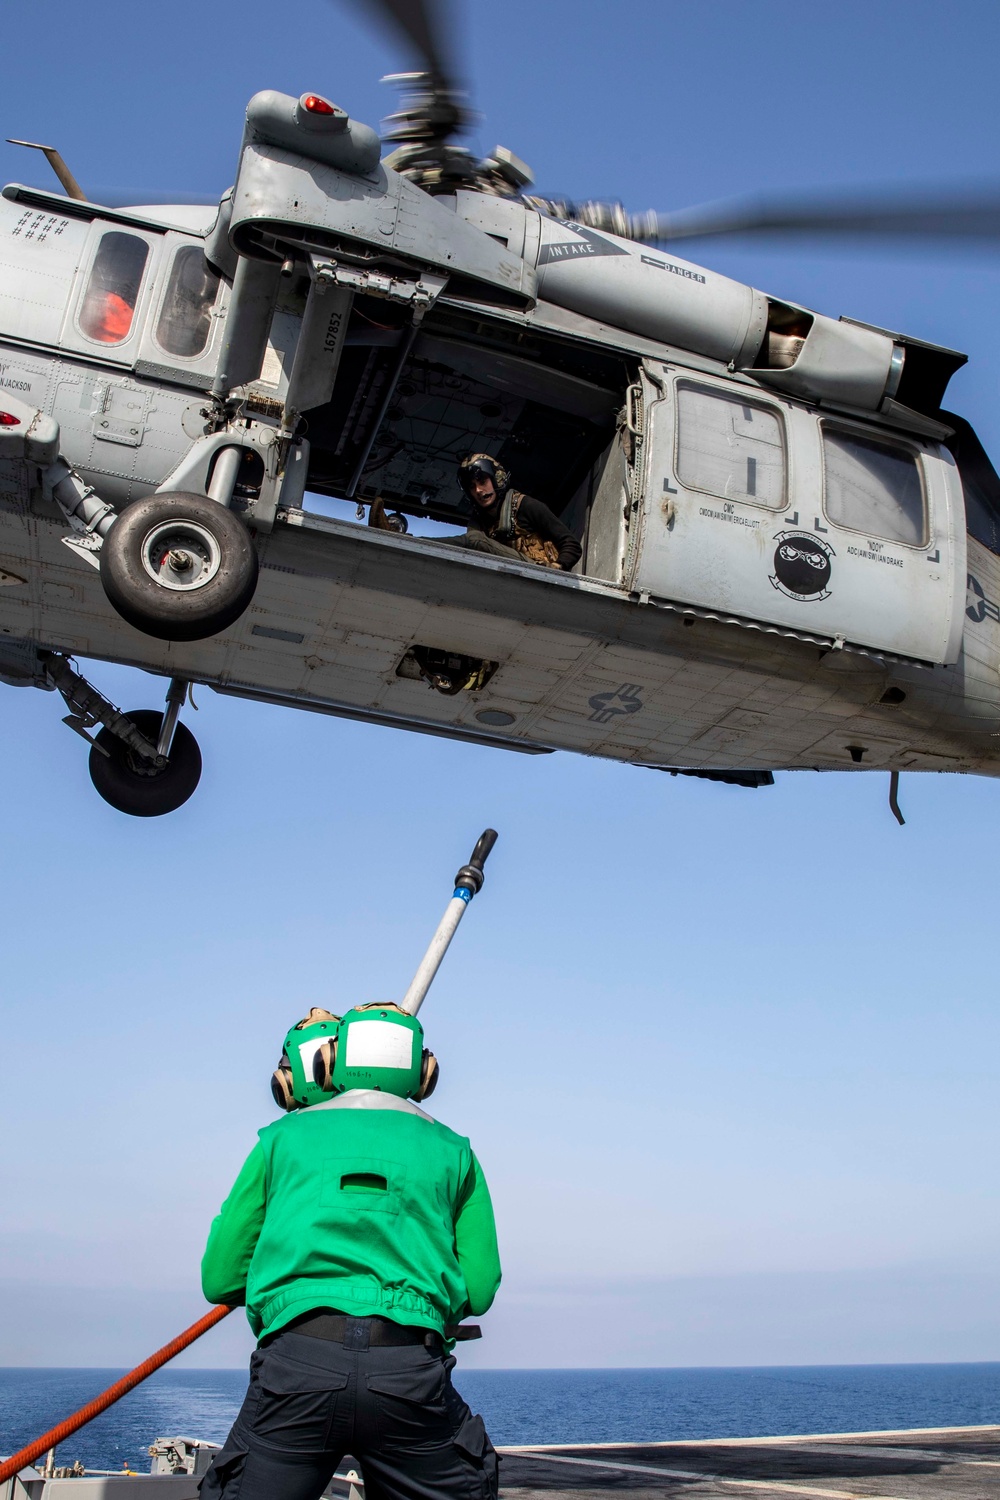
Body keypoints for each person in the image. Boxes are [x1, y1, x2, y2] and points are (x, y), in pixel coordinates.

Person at [199, 1003, 501, 1500]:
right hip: (410, 1371)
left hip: (295, 1370)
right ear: (423, 1073)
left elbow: (220, 1278)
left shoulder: (279, 1140)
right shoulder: (455, 1150)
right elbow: (481, 1285)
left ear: (328, 1064)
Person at [450, 453, 582, 571]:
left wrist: (557, 567)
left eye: (482, 481)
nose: (478, 490)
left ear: (497, 478)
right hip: (505, 577)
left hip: (539, 571)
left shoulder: (525, 505)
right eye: (472, 487)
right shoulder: (478, 522)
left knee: (474, 540)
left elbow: (571, 544)